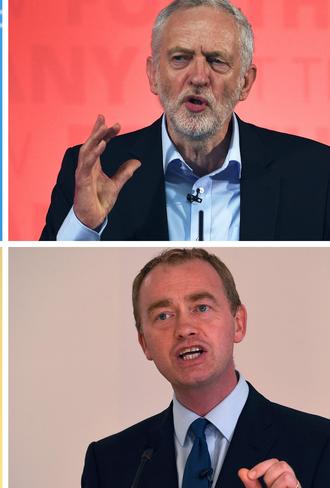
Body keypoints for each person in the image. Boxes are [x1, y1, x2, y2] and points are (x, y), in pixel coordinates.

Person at [41, 0, 330, 241]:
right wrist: (85, 226)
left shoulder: (315, 173)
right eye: (180, 58)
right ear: (153, 74)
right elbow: (46, 294)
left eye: (217, 60)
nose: (198, 77)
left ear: (245, 82)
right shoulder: (94, 171)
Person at [81, 248, 330, 487]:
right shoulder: (108, 462)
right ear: (145, 344)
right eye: (164, 316)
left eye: (201, 308)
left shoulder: (319, 445)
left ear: (238, 323)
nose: (184, 329)